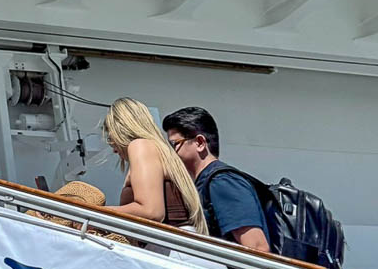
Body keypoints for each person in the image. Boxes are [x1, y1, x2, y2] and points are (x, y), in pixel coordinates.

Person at [162, 105, 271, 260]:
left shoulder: (222, 183)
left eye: (174, 145)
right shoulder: (206, 183)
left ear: (200, 143)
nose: (171, 154)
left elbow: (256, 246)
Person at [99, 99, 208, 234]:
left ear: (120, 130)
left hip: (168, 246)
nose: (114, 149)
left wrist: (96, 215)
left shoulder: (141, 146)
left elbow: (151, 211)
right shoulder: (161, 151)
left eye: (111, 139)